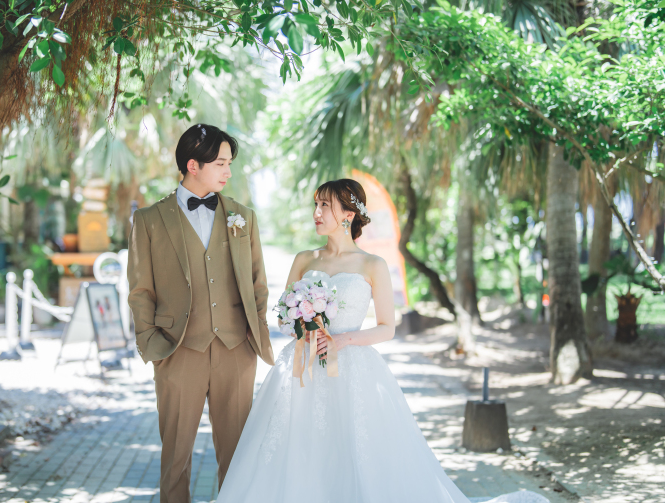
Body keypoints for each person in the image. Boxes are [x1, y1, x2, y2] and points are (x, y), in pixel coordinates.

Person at [216, 178, 548, 503]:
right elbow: (283, 318)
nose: (316, 212)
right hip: (301, 366)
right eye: (315, 205)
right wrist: (305, 327)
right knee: (295, 444)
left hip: (351, 366)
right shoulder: (305, 259)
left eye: (324, 205)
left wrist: (342, 340)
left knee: (351, 447)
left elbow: (387, 327)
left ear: (348, 214)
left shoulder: (372, 264)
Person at [127, 123, 274, 503]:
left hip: (235, 351)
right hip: (177, 351)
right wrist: (152, 344)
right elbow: (141, 290)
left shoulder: (244, 217)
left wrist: (252, 335)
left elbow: (259, 285)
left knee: (238, 455)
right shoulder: (149, 221)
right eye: (221, 163)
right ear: (193, 165)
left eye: (229, 164)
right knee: (175, 457)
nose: (228, 171)